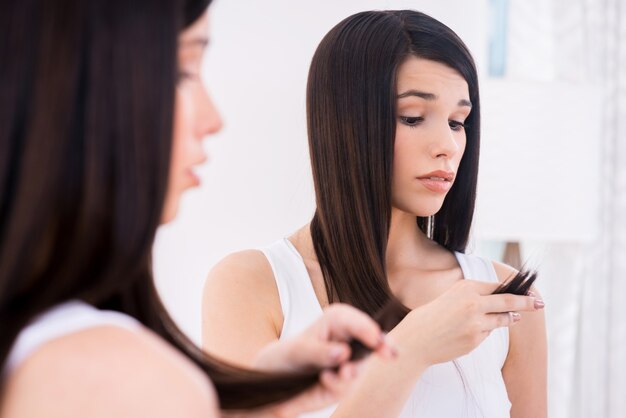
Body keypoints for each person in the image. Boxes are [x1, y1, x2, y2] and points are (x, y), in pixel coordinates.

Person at [0, 1, 400, 417]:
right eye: (182, 72)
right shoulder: (113, 377)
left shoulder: (44, 352)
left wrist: (250, 399)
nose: (213, 119)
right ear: (76, 89)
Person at [202, 10, 547, 418]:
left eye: (458, 122)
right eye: (414, 117)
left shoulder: (501, 297)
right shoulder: (252, 285)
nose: (448, 145)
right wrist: (409, 350)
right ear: (346, 122)